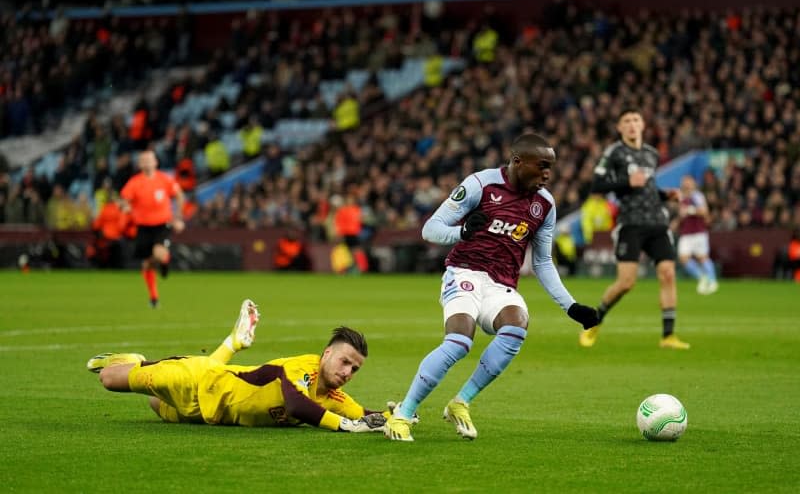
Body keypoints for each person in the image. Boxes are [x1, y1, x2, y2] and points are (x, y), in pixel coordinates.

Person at [384, 132, 599, 442]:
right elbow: (430, 229)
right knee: (459, 342)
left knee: (516, 325)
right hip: (464, 273)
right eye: (541, 166)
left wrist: (571, 306)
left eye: (550, 167)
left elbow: (542, 263)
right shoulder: (480, 185)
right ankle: (404, 413)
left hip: (501, 285)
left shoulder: (544, 204)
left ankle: (460, 402)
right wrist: (462, 232)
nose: (548, 174)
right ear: (516, 162)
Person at [87, 300, 387, 433]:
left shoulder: (332, 397)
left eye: (354, 369)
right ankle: (135, 360)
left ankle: (233, 342)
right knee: (109, 379)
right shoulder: (301, 368)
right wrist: (344, 425)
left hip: (205, 414)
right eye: (344, 361)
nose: (347, 372)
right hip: (194, 379)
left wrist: (394, 416)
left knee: (156, 403)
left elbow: (363, 415)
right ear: (325, 354)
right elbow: (296, 405)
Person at [579, 107, 689, 350]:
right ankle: (594, 321)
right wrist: (625, 182)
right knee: (626, 282)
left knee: (668, 274)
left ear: (642, 125)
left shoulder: (651, 154)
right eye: (626, 120)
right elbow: (596, 183)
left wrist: (664, 195)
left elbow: (647, 188)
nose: (631, 124)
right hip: (630, 223)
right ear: (619, 128)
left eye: (636, 120)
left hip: (657, 222)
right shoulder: (614, 152)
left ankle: (668, 336)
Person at [120, 150, 185, 307]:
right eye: (144, 160)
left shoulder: (165, 179)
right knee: (147, 263)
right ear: (140, 164)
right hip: (143, 227)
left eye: (150, 159)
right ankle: (154, 298)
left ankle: (164, 260)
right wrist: (125, 206)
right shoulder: (135, 182)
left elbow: (179, 195)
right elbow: (123, 200)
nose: (147, 162)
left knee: (158, 253)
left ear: (156, 162)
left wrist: (178, 218)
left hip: (162, 225)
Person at [676, 175, 719, 294]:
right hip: (686, 232)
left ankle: (713, 280)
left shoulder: (697, 196)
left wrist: (690, 210)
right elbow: (681, 214)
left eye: (688, 182)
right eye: (684, 182)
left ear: (693, 184)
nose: (686, 184)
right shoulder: (681, 197)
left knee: (702, 257)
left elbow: (704, 211)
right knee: (683, 258)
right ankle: (702, 277)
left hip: (698, 232)